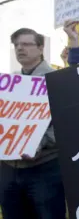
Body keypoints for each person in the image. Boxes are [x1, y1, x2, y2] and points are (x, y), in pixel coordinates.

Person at [1, 28, 66, 218]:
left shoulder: (56, 80)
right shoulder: (8, 83)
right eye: (16, 45)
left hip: (44, 169)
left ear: (40, 48)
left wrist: (40, 142)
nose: (20, 48)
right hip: (9, 169)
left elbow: (63, 122)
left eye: (26, 44)